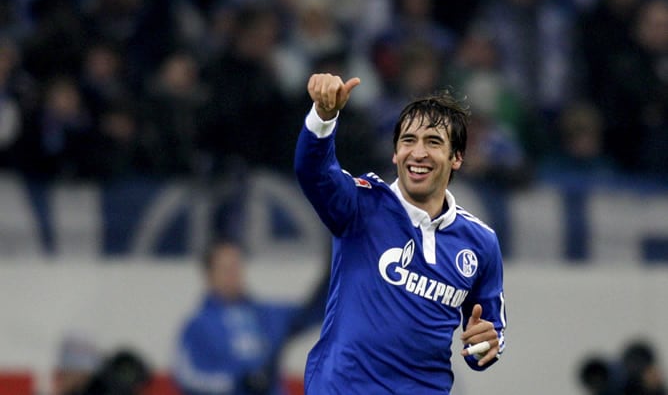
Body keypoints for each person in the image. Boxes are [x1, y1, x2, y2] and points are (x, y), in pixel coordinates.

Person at [294, 73, 507, 393]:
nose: (417, 153)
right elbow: (313, 172)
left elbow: (488, 337)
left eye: (433, 142)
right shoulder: (360, 205)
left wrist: (484, 343)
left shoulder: (481, 243)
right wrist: (324, 116)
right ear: (395, 153)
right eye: (408, 140)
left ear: (457, 158)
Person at [173, 239, 326, 395]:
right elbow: (189, 377)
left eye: (236, 266)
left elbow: (312, 313)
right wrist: (238, 381)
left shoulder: (265, 314)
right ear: (209, 275)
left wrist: (333, 271)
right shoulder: (198, 325)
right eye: (225, 269)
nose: (233, 274)